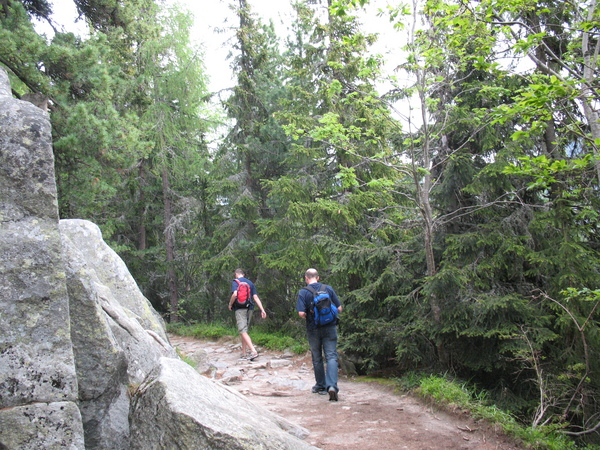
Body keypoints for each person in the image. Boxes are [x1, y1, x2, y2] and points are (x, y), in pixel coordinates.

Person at [296, 268, 342, 401]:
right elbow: (339, 308)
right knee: (331, 356)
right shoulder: (328, 289)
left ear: (306, 278)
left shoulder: (304, 292)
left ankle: (321, 386)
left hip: (313, 329)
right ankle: (332, 386)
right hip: (330, 327)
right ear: (318, 277)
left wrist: (309, 316)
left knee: (317, 357)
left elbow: (301, 313)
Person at [229, 268, 267, 360]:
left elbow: (234, 294)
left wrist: (230, 304)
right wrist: (262, 309)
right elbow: (255, 297)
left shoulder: (236, 282)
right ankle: (244, 353)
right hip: (250, 308)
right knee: (244, 330)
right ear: (243, 274)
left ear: (236, 274)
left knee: (242, 330)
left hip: (240, 308)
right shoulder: (250, 283)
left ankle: (253, 351)